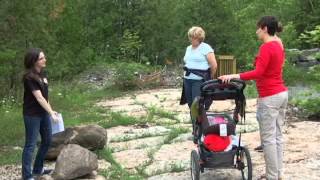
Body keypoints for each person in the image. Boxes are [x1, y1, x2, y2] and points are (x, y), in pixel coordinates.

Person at [219, 16, 288, 180]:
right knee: (277, 136)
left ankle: (272, 176)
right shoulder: (278, 45)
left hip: (270, 96)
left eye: (258, 28)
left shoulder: (267, 47)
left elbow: (258, 72)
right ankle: (279, 174)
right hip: (281, 94)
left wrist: (234, 75)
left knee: (269, 140)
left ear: (264, 28)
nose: (256, 31)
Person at [22, 48, 58, 180]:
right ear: (34, 61)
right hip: (32, 115)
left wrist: (51, 110)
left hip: (43, 113)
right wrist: (50, 113)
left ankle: (38, 169)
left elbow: (45, 96)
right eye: (42, 58)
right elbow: (38, 98)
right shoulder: (29, 78)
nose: (45, 60)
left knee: (47, 140)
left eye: (44, 57)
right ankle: (27, 176)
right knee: (30, 144)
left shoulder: (43, 74)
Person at [179, 26, 217, 142]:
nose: (191, 39)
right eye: (190, 37)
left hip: (199, 80)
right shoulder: (188, 48)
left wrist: (208, 78)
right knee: (191, 106)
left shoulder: (206, 48)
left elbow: (214, 65)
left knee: (198, 106)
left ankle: (201, 132)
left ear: (199, 38)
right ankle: (195, 131)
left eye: (194, 37)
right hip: (187, 79)